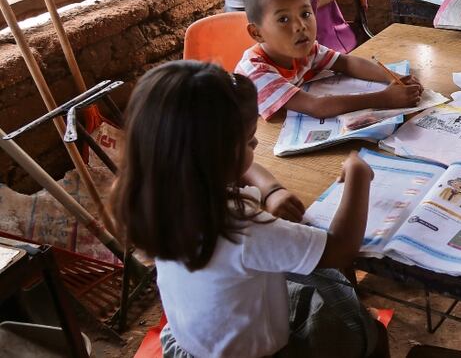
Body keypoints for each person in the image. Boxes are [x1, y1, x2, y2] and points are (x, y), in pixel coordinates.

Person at [111, 61, 386, 357]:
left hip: (190, 344)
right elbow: (340, 249)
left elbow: (245, 168)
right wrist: (358, 175)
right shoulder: (238, 226)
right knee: (365, 328)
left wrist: (272, 189)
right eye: (249, 140)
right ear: (216, 156)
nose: (255, 143)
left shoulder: (157, 195)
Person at [235, 0, 422, 120]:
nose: (300, 26)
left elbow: (347, 63)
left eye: (305, 14)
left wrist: (393, 77)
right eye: (283, 19)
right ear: (257, 33)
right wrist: (384, 98)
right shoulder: (255, 72)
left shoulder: (306, 51)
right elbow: (316, 106)